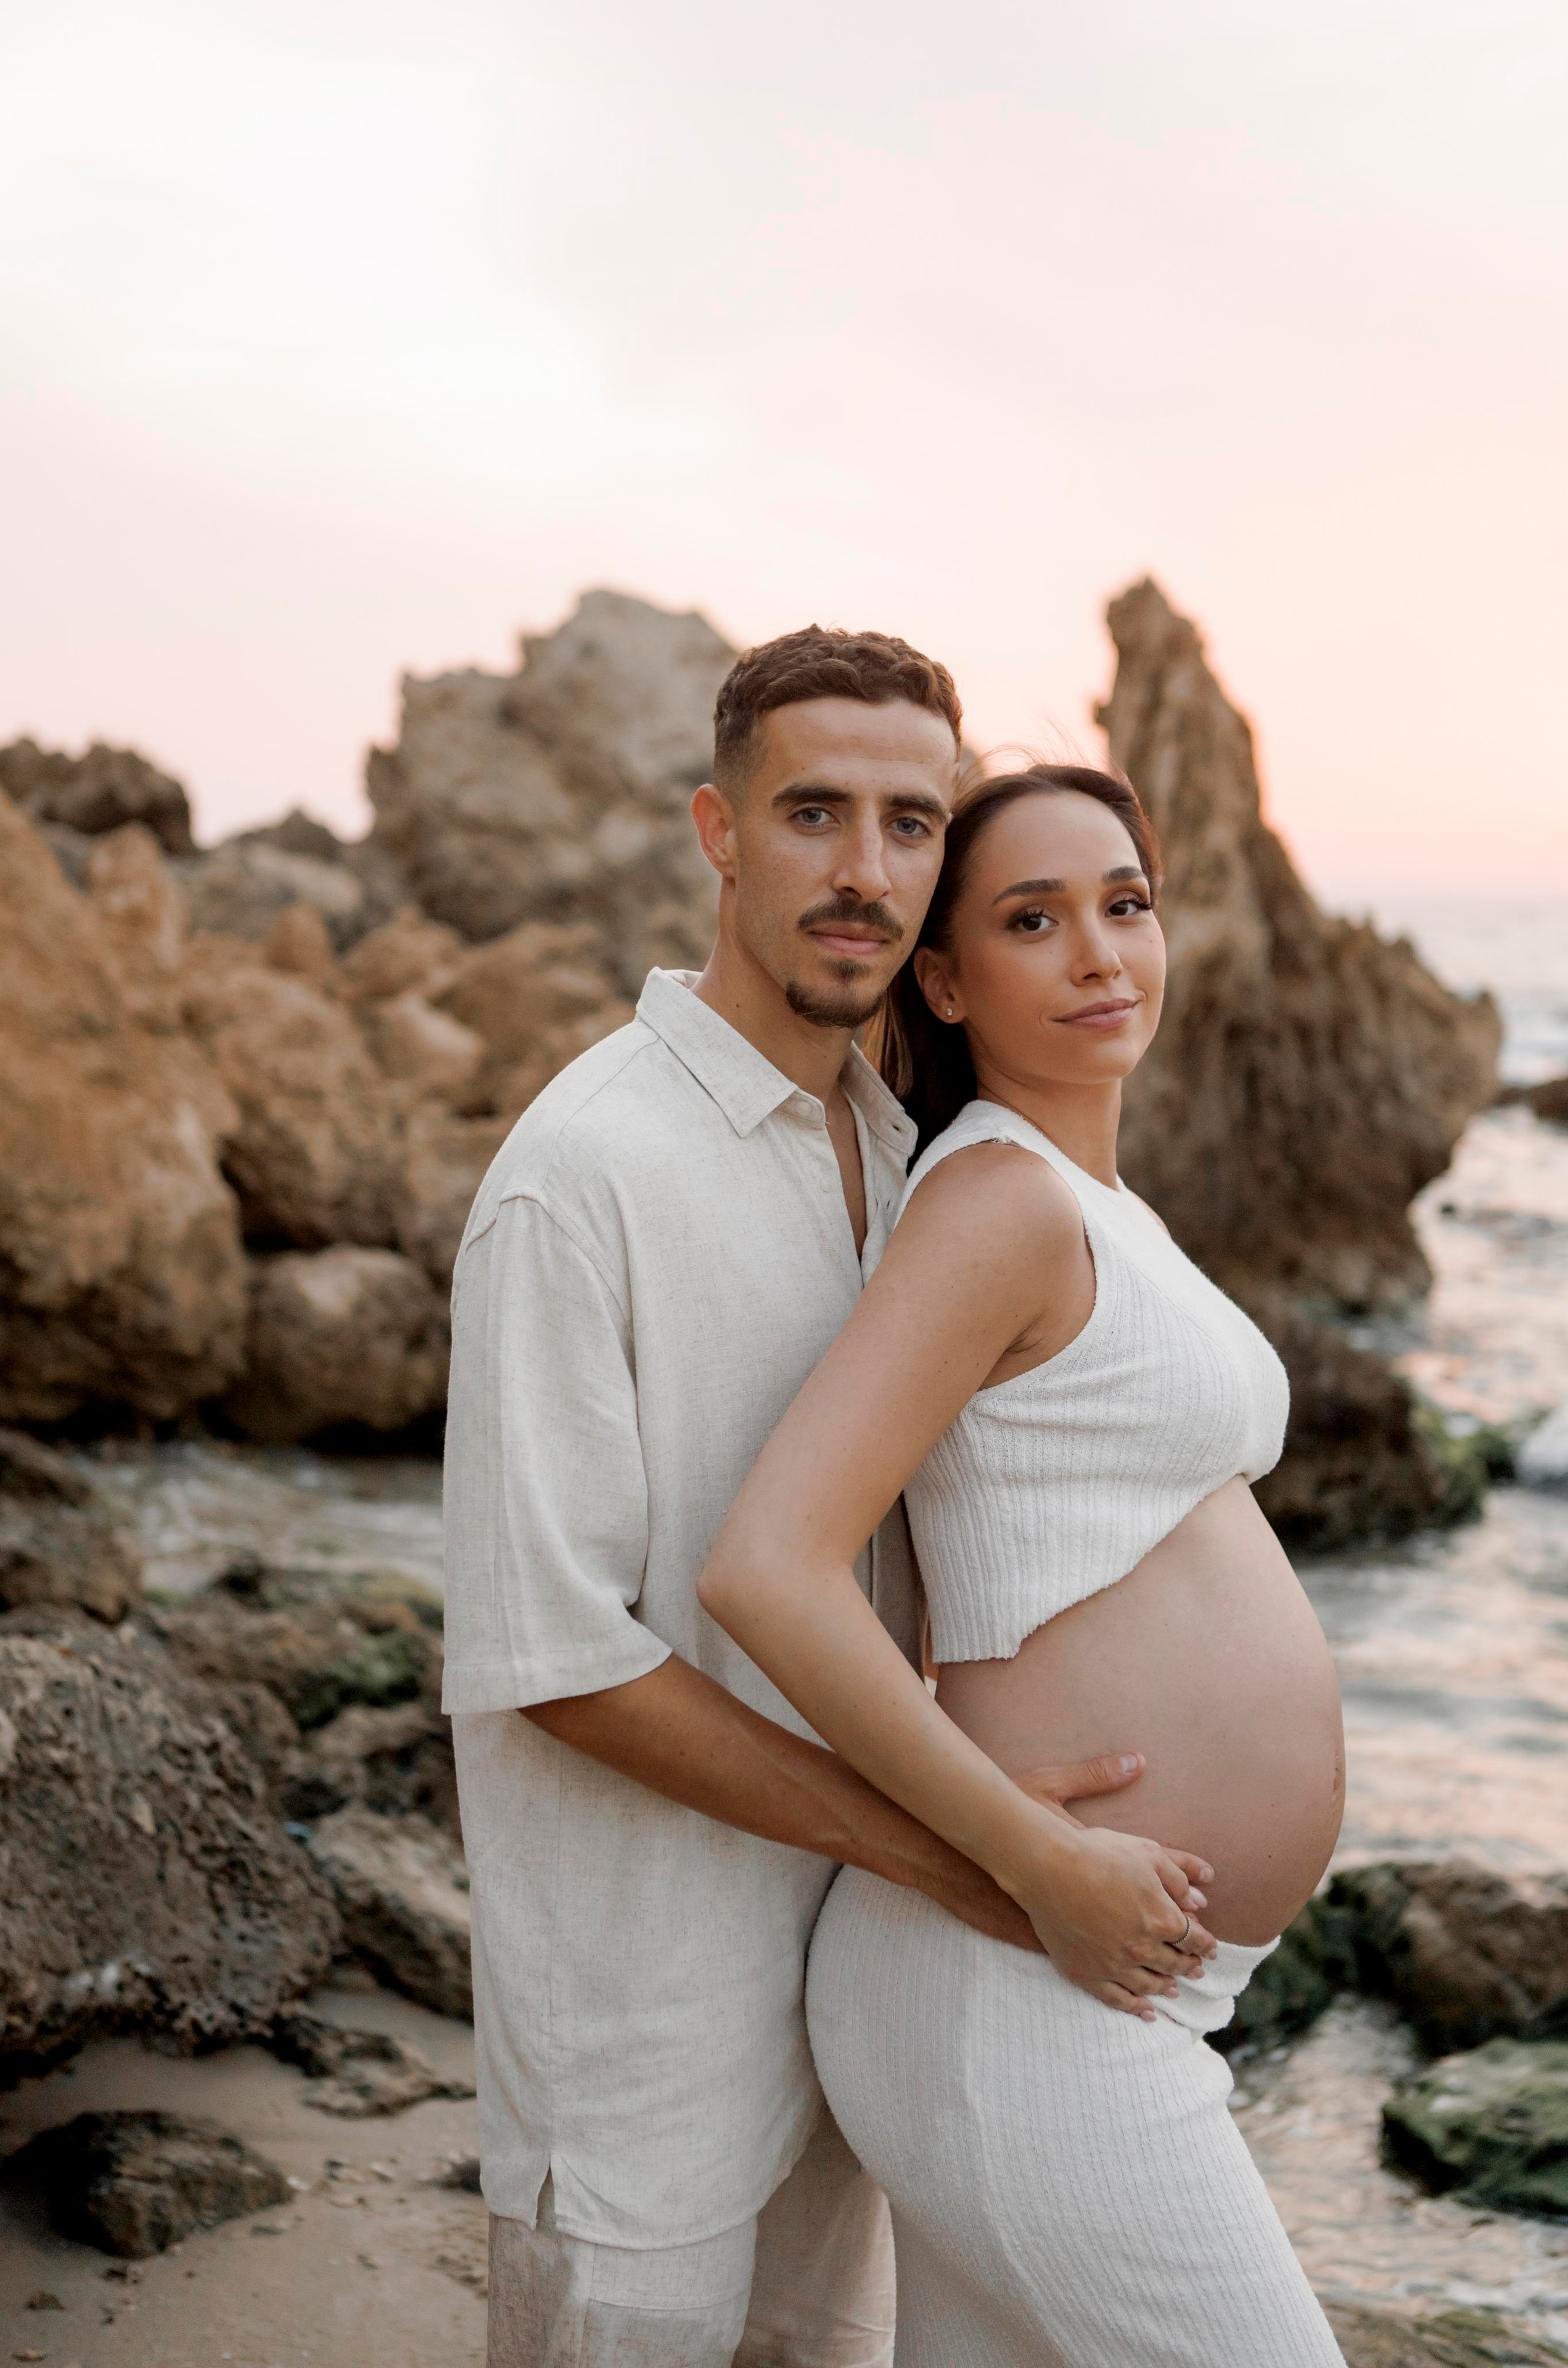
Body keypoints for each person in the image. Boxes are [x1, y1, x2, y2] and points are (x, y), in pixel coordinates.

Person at [443, 641, 1220, 2368]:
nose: (865, 870)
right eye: (815, 814)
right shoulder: (582, 1179)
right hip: (646, 2036)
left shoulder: (912, 1147)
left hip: (862, 2018)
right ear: (722, 830)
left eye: (912, 822)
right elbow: (558, 1663)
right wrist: (964, 1849)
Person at [698, 762, 1348, 2367]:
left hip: (1073, 1992)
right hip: (1025, 1981)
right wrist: (1040, 1859)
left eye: (1124, 905)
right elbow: (768, 1567)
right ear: (944, 975)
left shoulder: (1085, 1204)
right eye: (1033, 921)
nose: (1098, 955)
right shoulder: (997, 1200)